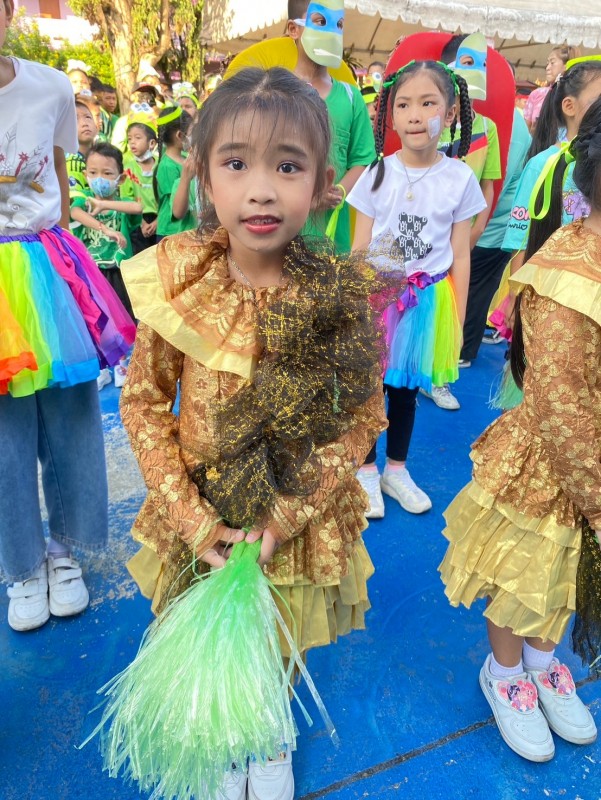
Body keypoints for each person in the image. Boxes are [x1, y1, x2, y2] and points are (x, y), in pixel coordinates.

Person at [119, 66, 388, 800]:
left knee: (281, 633)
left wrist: (285, 516)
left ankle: (268, 727)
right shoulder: (180, 282)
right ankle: (220, 729)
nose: (261, 190)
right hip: (200, 513)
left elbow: (362, 416)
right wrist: (190, 517)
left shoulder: (337, 296)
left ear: (324, 184)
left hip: (290, 516)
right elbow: (143, 403)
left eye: (287, 167)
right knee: (203, 631)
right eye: (236, 164)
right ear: (205, 178)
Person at [439, 100, 601, 763]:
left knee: (564, 573)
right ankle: (505, 672)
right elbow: (561, 403)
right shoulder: (570, 273)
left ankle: (542, 662)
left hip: (589, 463)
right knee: (520, 575)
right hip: (559, 463)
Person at [0, 0, 135, 632]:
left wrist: (61, 265)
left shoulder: (51, 87)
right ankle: (21, 565)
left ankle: (64, 550)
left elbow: (56, 176)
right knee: (3, 430)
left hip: (45, 266)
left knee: (72, 413)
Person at [347, 60, 486, 517]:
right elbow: (360, 246)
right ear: (390, 114)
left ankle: (396, 469)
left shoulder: (460, 178)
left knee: (406, 390)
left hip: (426, 304)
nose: (414, 115)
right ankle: (366, 471)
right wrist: (352, 303)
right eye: (404, 104)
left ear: (450, 113)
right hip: (377, 299)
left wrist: (458, 318)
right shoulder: (376, 174)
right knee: (368, 388)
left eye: (428, 103)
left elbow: (460, 253)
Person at [423, 33, 503, 409]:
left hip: (462, 237)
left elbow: (488, 185)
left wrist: (476, 230)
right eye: (469, 62)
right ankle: (407, 377)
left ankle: (438, 378)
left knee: (451, 308)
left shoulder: (488, 129)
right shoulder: (427, 118)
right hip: (421, 236)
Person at [500, 60, 601, 327]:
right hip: (550, 293)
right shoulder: (541, 165)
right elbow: (522, 237)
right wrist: (516, 297)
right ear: (569, 106)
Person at [286, 0, 376, 253]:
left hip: (335, 243)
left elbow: (362, 158)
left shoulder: (351, 97)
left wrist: (339, 191)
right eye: (320, 21)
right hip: (282, 241)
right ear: (294, 29)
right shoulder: (275, 92)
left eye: (339, 24)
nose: (331, 31)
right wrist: (304, 196)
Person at [459, 107, 531, 366]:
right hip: (484, 224)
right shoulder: (505, 118)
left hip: (489, 227)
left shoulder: (503, 122)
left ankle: (463, 349)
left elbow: (496, 181)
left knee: (473, 290)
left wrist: (475, 227)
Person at [70, 142, 141, 389]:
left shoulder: (122, 203)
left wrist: (105, 205)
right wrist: (104, 228)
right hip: (91, 273)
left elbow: (137, 207)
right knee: (95, 320)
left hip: (117, 272)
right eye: (93, 172)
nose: (99, 178)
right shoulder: (82, 200)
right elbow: (75, 213)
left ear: (120, 179)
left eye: (107, 173)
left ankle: (121, 364)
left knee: (119, 320)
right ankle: (102, 369)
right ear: (85, 174)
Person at [154, 105, 196, 238]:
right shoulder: (167, 167)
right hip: (171, 232)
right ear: (180, 135)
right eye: (191, 132)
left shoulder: (185, 158)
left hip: (185, 229)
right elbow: (177, 206)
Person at [123, 110, 159, 254]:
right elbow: (126, 198)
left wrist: (158, 221)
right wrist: (141, 223)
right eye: (129, 138)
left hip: (160, 220)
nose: (132, 142)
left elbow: (167, 199)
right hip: (137, 220)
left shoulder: (161, 166)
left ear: (152, 143)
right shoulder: (128, 169)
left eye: (137, 137)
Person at [523, 46, 580, 133]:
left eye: (552, 63)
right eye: (547, 63)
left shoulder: (578, 96)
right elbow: (525, 131)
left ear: (566, 65)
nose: (547, 68)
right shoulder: (537, 94)